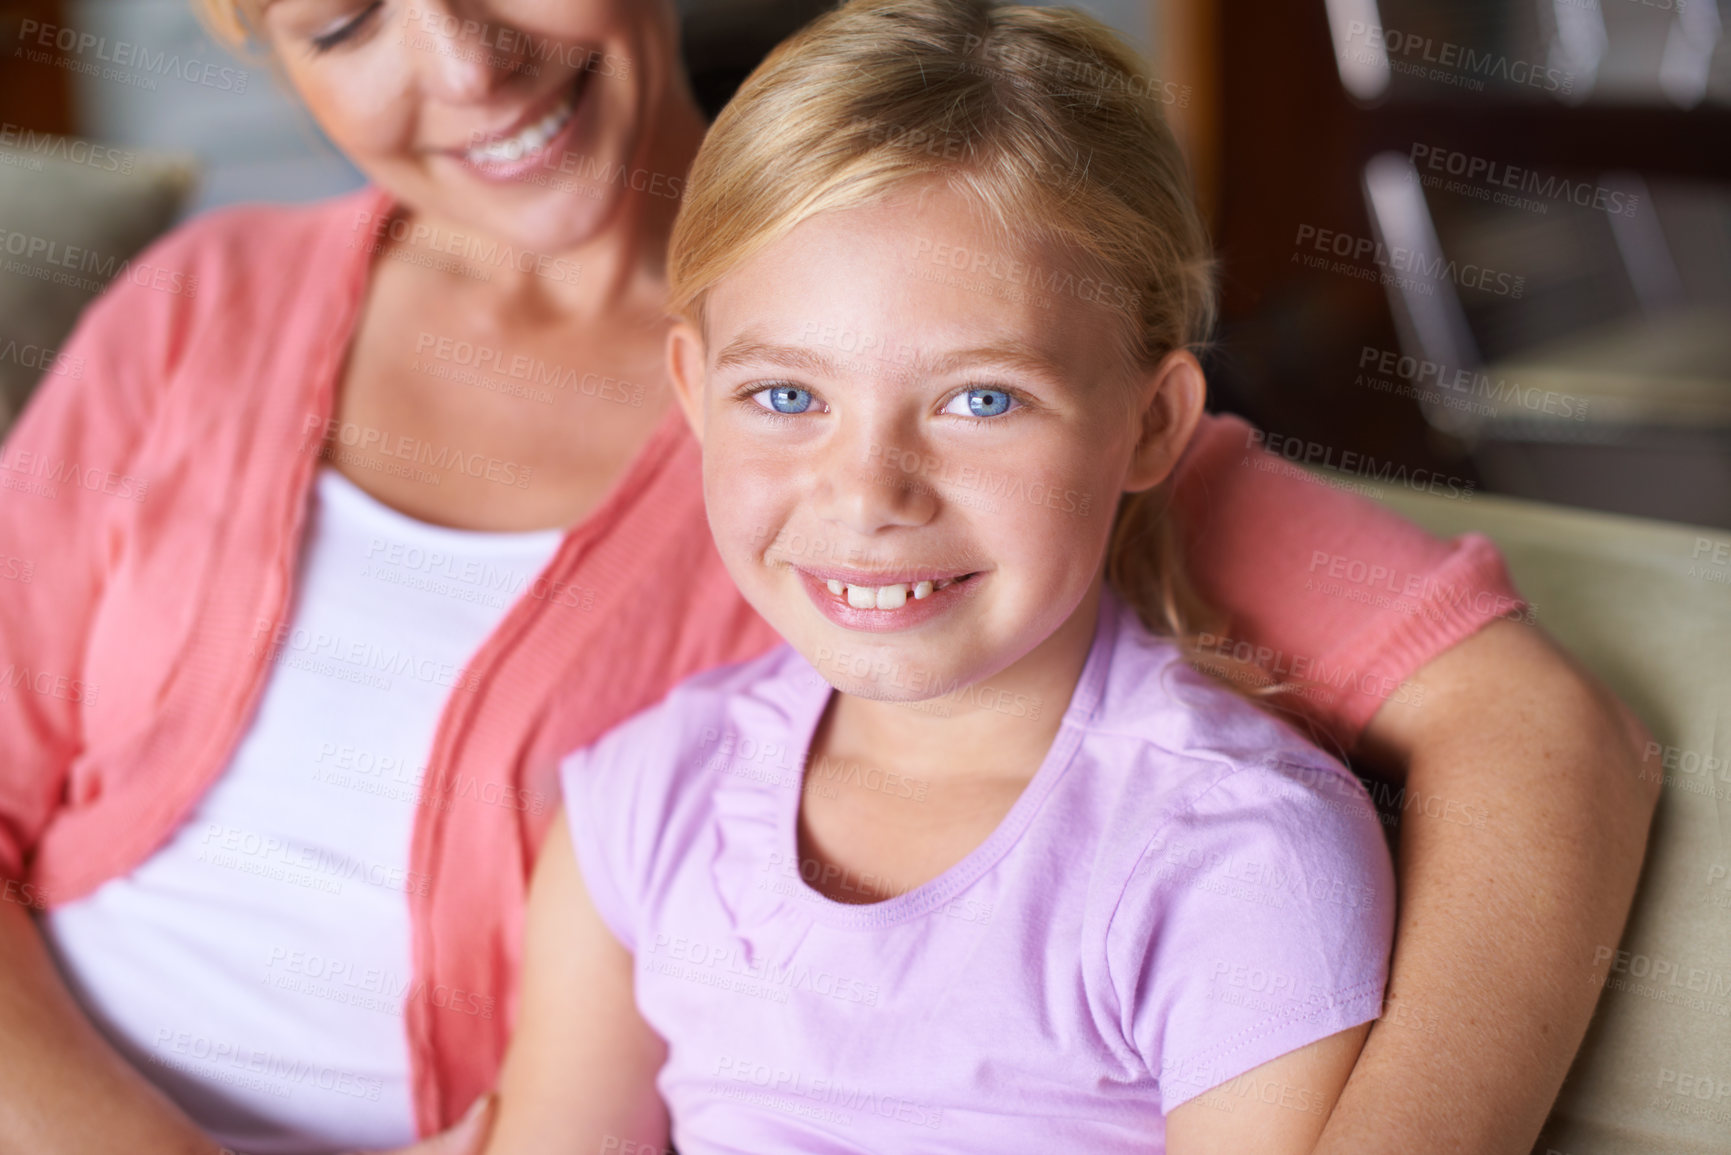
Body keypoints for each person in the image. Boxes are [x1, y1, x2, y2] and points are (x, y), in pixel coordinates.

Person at [0, 0, 1653, 1153]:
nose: (465, 62)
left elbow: (1542, 737)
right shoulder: (197, 300)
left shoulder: (975, 367)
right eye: (342, 16)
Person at [486, 4, 1394, 1149]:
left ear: (1153, 424)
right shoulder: (641, 804)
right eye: (785, 396)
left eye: (983, 401)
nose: (869, 493)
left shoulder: (1235, 856)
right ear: (692, 391)